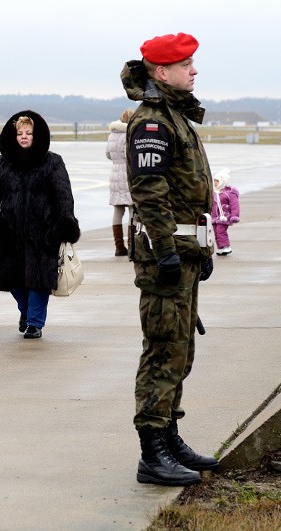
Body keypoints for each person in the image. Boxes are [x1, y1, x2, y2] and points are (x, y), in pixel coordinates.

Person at [121, 32, 219, 487]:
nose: (194, 70)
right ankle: (152, 451)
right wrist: (165, 253)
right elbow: (149, 192)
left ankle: (170, 435)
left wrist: (202, 246)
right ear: (163, 72)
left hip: (184, 252)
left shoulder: (176, 117)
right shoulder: (153, 123)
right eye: (186, 65)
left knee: (181, 348)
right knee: (163, 348)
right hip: (167, 255)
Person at [0, 110, 80, 340]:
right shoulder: (3, 163)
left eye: (28, 133)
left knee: (39, 281)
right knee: (15, 282)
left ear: (36, 135)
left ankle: (35, 323)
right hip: (11, 232)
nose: (23, 137)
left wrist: (66, 222)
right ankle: (26, 312)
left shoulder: (52, 162)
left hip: (44, 232)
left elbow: (63, 195)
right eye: (20, 133)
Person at [106, 108, 135, 256]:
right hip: (127, 175)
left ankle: (119, 246)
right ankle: (131, 245)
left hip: (114, 175)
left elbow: (108, 155)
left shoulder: (112, 135)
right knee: (132, 210)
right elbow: (129, 155)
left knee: (118, 210)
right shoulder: (129, 135)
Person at [211, 168, 240, 255]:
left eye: (217, 181)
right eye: (214, 181)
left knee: (221, 231)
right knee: (216, 232)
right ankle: (220, 248)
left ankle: (226, 247)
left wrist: (234, 216)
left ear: (223, 181)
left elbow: (235, 205)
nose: (215, 183)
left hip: (224, 216)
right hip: (215, 217)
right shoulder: (213, 193)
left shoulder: (229, 193)